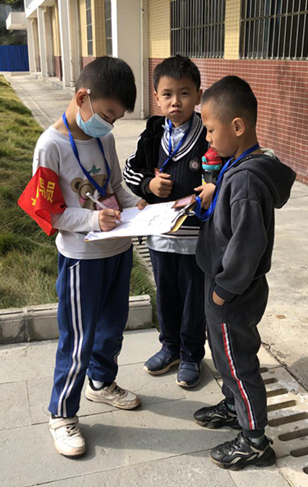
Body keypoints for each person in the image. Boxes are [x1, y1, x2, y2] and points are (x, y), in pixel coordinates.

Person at [23, 57, 147, 458]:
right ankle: (62, 414)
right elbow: (49, 212)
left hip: (118, 249)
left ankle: (101, 383)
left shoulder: (104, 138)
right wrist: (93, 219)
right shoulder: (50, 146)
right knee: (78, 338)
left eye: (116, 119)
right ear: (82, 98)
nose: (109, 125)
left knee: (112, 327)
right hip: (82, 257)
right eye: (107, 115)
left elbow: (115, 187)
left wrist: (136, 204)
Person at [193, 76, 296, 470]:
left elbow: (247, 245)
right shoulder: (239, 166)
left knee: (238, 362)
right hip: (225, 286)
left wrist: (223, 289)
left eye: (210, 129)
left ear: (237, 126)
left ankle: (255, 441)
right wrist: (215, 191)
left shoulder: (248, 179)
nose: (207, 138)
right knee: (225, 355)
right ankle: (235, 407)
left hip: (232, 291)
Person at [123, 55, 214, 388]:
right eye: (168, 94)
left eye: (185, 93)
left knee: (193, 301)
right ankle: (170, 347)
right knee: (167, 295)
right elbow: (130, 170)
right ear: (157, 97)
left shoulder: (208, 133)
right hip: (160, 236)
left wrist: (214, 188)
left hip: (196, 239)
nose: (176, 102)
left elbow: (228, 168)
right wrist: (148, 185)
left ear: (198, 95)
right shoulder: (152, 133)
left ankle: (191, 355)